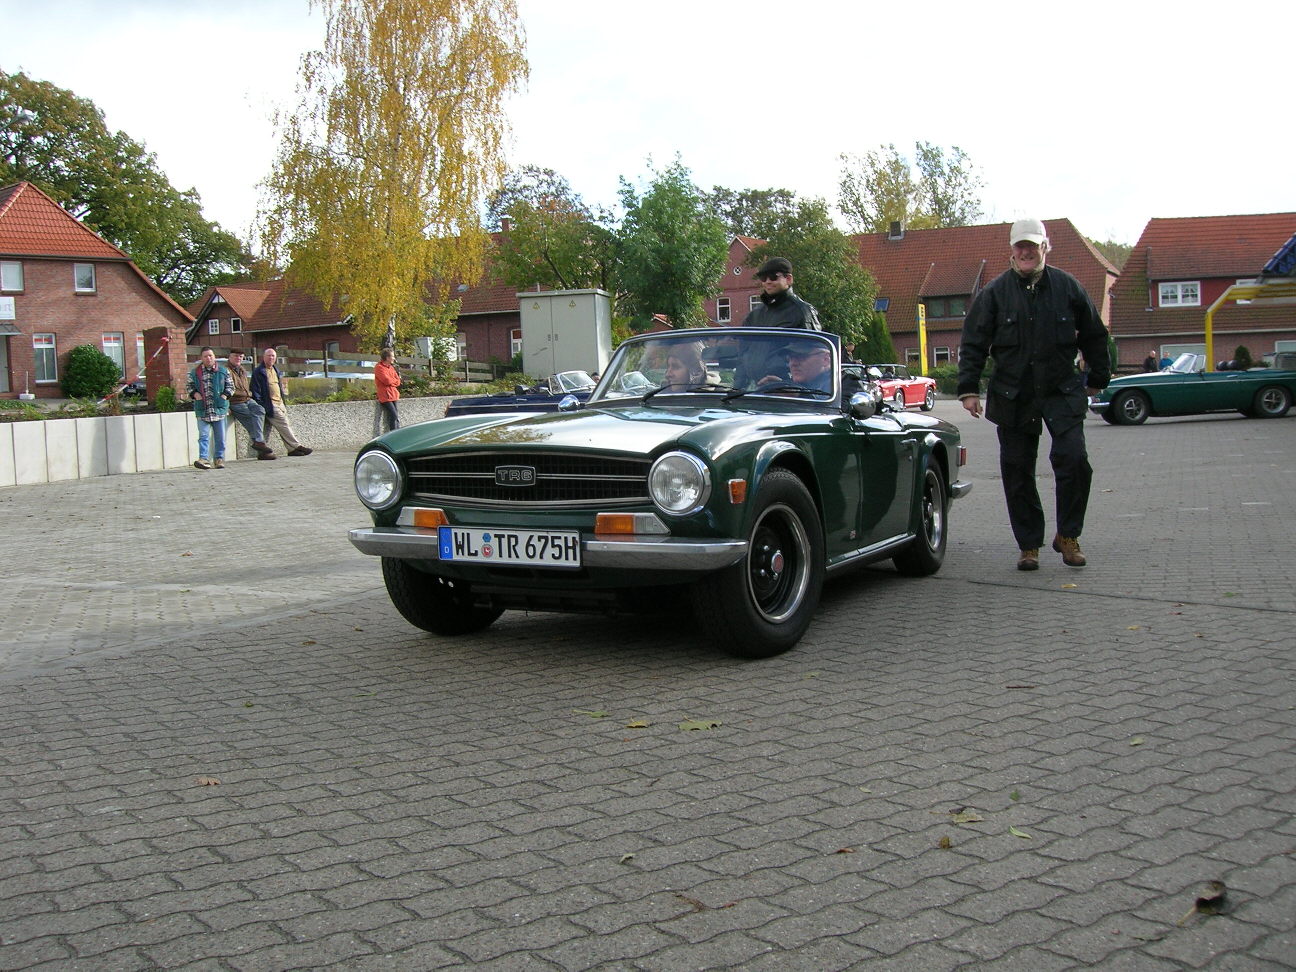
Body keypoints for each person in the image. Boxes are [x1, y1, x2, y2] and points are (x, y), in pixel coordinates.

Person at [957, 217, 1111, 571]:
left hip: (1061, 389)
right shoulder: (994, 293)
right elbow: (974, 342)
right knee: (1016, 470)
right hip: (1014, 393)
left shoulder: (1068, 287)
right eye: (1020, 246)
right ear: (1012, 250)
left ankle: (1069, 536)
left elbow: (1094, 334)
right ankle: (1029, 545)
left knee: (1074, 461)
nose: (1026, 252)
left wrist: (1097, 377)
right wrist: (968, 389)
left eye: (1033, 245)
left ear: (1045, 247)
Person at [734, 257, 822, 387]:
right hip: (758, 388)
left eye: (773, 277)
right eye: (763, 278)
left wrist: (795, 388)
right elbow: (742, 356)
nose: (768, 282)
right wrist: (737, 389)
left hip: (788, 388)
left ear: (788, 279)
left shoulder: (802, 311)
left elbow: (813, 354)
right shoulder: (754, 315)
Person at [251, 348, 313, 457]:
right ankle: (298, 446)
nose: (271, 358)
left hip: (280, 403)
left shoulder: (275, 369)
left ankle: (291, 450)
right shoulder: (258, 372)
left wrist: (283, 403)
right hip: (270, 405)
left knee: (285, 425)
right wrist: (262, 405)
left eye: (273, 356)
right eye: (269, 356)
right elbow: (255, 390)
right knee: (284, 425)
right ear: (264, 357)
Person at [186, 347, 232, 470]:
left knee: (220, 437)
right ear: (201, 358)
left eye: (210, 355)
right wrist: (195, 394)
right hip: (203, 410)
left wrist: (224, 395)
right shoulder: (194, 373)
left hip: (219, 409)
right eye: (205, 356)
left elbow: (230, 387)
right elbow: (189, 386)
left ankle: (219, 459)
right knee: (203, 436)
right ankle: (203, 459)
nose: (208, 358)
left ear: (214, 356)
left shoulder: (223, 371)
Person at [225, 351, 276, 460]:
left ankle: (259, 443)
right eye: (235, 356)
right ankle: (261, 447)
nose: (238, 358)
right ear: (229, 357)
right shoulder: (225, 371)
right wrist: (226, 406)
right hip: (235, 401)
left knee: (260, 410)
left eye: (240, 356)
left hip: (247, 399)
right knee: (249, 417)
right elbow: (222, 390)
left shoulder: (242, 370)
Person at [373, 348, 402, 435]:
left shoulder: (391, 368)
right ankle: (394, 435)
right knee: (393, 415)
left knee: (396, 416)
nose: (394, 358)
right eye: (392, 356)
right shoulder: (379, 367)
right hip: (385, 396)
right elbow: (386, 380)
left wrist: (392, 381)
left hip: (393, 394)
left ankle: (398, 433)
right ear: (387, 357)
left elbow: (398, 381)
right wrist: (393, 381)